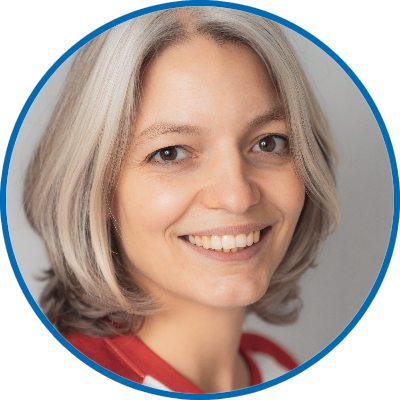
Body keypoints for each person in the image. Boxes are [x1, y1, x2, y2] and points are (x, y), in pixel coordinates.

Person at [23, 6, 339, 394]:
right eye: (170, 153)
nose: (237, 196)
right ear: (96, 188)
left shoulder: (276, 365)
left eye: (268, 143)